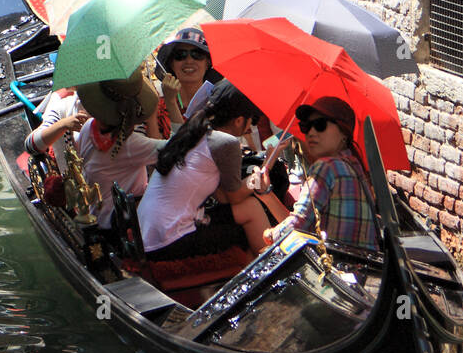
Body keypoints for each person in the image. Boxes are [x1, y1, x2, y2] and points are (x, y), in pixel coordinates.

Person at [137, 80, 290, 259]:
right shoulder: (226, 142)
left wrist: (263, 166)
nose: (251, 126)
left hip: (149, 234)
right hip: (167, 240)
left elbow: (223, 196)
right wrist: (267, 165)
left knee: (248, 207)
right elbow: (233, 196)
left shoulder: (195, 127)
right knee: (252, 209)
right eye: (252, 119)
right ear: (239, 120)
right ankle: (270, 265)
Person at [261, 97, 381, 253]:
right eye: (306, 126)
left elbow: (297, 225)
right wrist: (265, 193)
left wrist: (269, 234)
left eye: (320, 125)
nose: (311, 132)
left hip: (337, 268)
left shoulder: (326, 167)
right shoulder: (355, 166)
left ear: (343, 133)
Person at [74, 67, 179, 228]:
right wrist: (171, 102)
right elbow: (182, 147)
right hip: (118, 225)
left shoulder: (88, 127)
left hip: (98, 216)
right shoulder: (129, 145)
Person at [156, 26, 215, 123]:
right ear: (171, 63)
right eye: (180, 54)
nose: (189, 61)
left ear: (207, 62)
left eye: (197, 54)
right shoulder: (158, 105)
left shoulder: (219, 102)